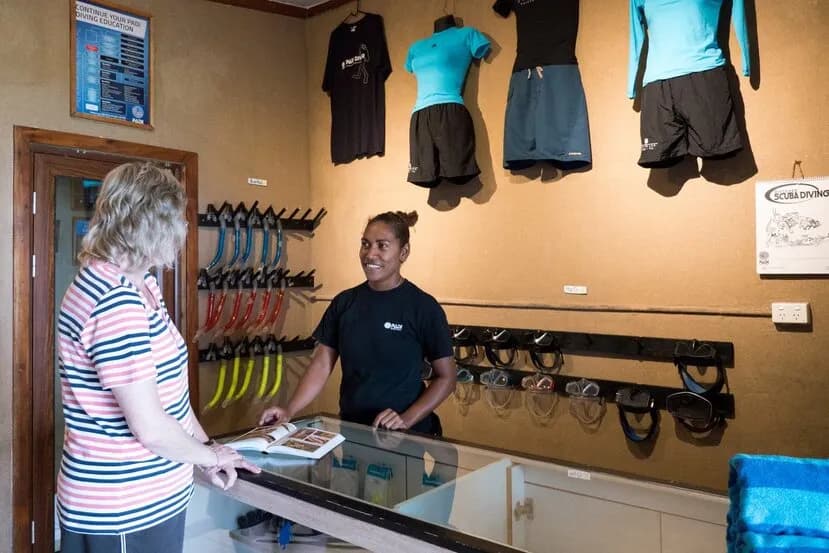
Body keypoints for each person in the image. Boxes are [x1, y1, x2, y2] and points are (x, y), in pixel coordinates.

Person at [56, 162, 259, 553]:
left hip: (152, 496)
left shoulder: (142, 283)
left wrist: (208, 451)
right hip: (122, 507)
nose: (184, 229)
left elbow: (171, 402)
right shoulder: (115, 301)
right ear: (152, 225)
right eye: (178, 218)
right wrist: (207, 455)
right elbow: (148, 427)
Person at [260, 210, 456, 435]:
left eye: (382, 246)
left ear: (404, 252)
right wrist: (289, 410)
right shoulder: (344, 303)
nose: (370, 254)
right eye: (365, 244)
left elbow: (447, 378)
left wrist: (406, 419)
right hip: (352, 430)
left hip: (403, 435)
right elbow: (322, 365)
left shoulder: (423, 307)